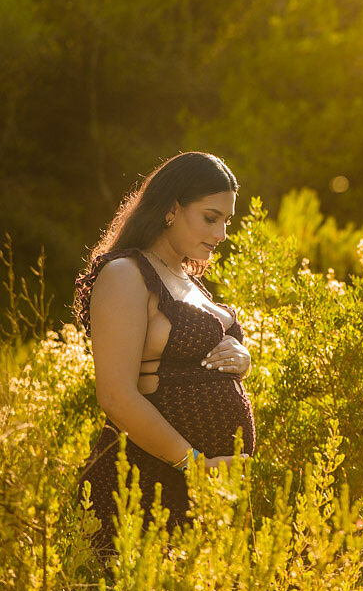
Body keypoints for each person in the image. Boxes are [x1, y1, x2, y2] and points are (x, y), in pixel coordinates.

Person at [73, 151, 255, 564]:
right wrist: (195, 465)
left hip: (204, 496)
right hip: (140, 487)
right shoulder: (126, 274)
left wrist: (242, 360)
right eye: (211, 218)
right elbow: (116, 396)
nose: (222, 233)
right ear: (172, 209)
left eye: (227, 220)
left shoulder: (189, 281)